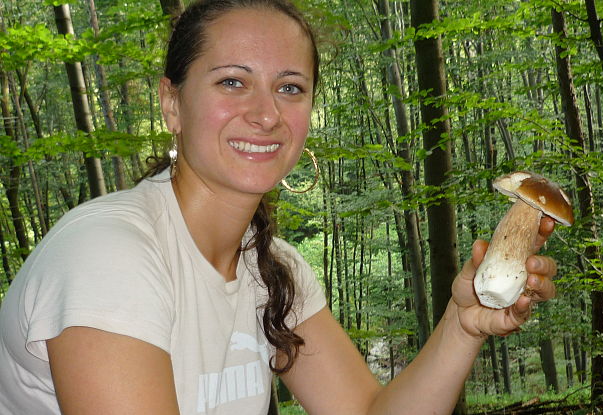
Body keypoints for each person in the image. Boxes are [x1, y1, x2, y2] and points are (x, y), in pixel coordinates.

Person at [0, 0, 558, 414]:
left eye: (290, 88)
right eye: (232, 82)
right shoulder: (107, 253)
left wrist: (463, 328)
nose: (266, 113)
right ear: (173, 103)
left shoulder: (275, 269)